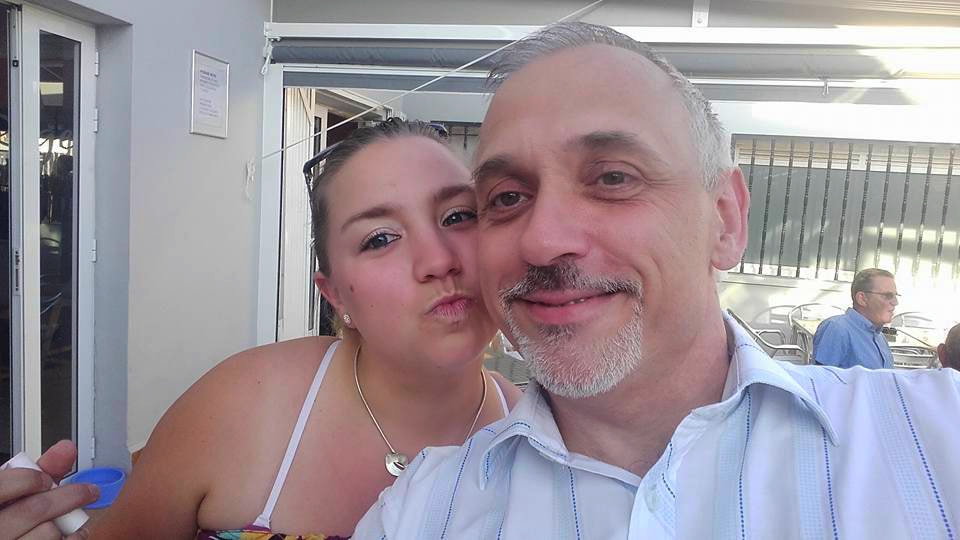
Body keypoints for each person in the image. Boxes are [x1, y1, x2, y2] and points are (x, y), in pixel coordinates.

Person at [354, 22, 960, 539]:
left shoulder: (937, 432)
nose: (542, 240)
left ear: (725, 219)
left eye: (613, 179)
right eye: (507, 197)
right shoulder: (419, 514)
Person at [8, 119, 520, 539]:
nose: (438, 260)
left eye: (458, 216)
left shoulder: (541, 436)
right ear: (336, 296)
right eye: (380, 238)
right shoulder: (244, 406)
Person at [811, 268, 898, 369]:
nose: (895, 302)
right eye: (887, 296)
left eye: (895, 296)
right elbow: (823, 376)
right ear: (862, 299)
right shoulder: (837, 329)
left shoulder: (880, 337)